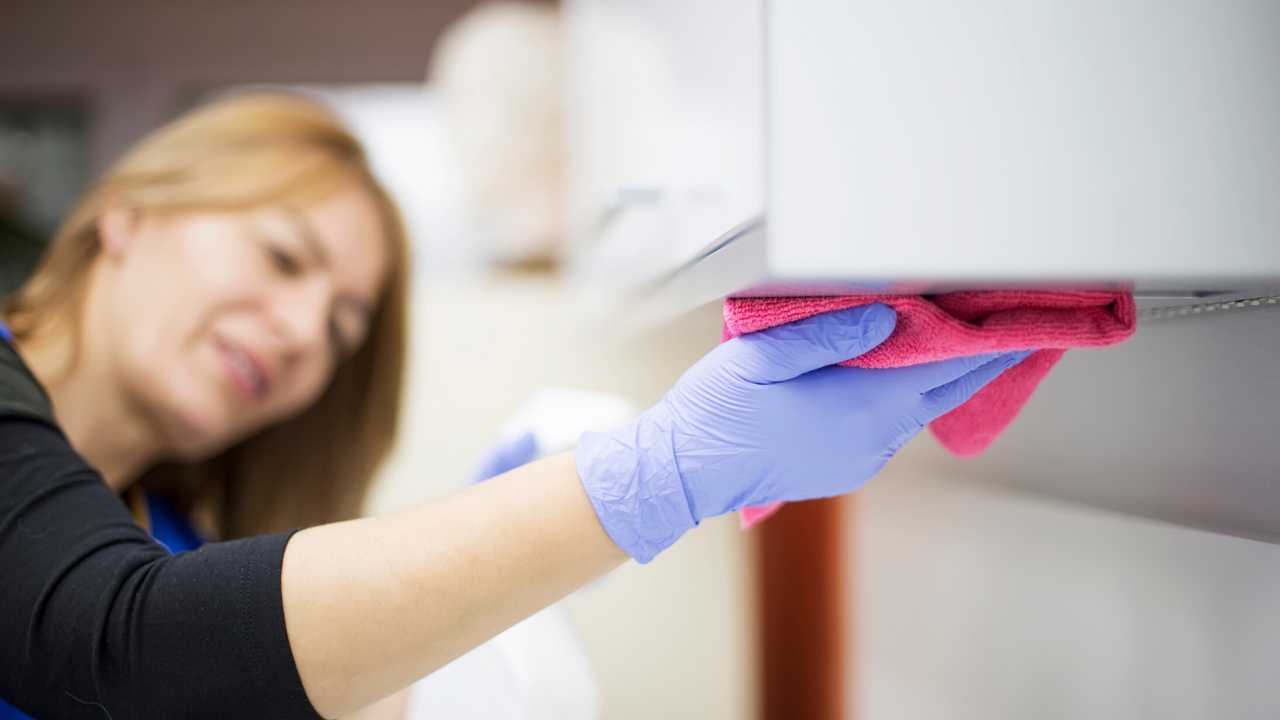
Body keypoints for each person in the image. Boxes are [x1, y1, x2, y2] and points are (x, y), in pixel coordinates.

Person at [0, 92, 1028, 719]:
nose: (304, 330)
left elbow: (302, 687)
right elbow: (120, 655)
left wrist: (487, 584)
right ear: (128, 214)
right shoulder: (140, 590)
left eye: (344, 327)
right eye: (281, 258)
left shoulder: (174, 538)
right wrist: (648, 479)